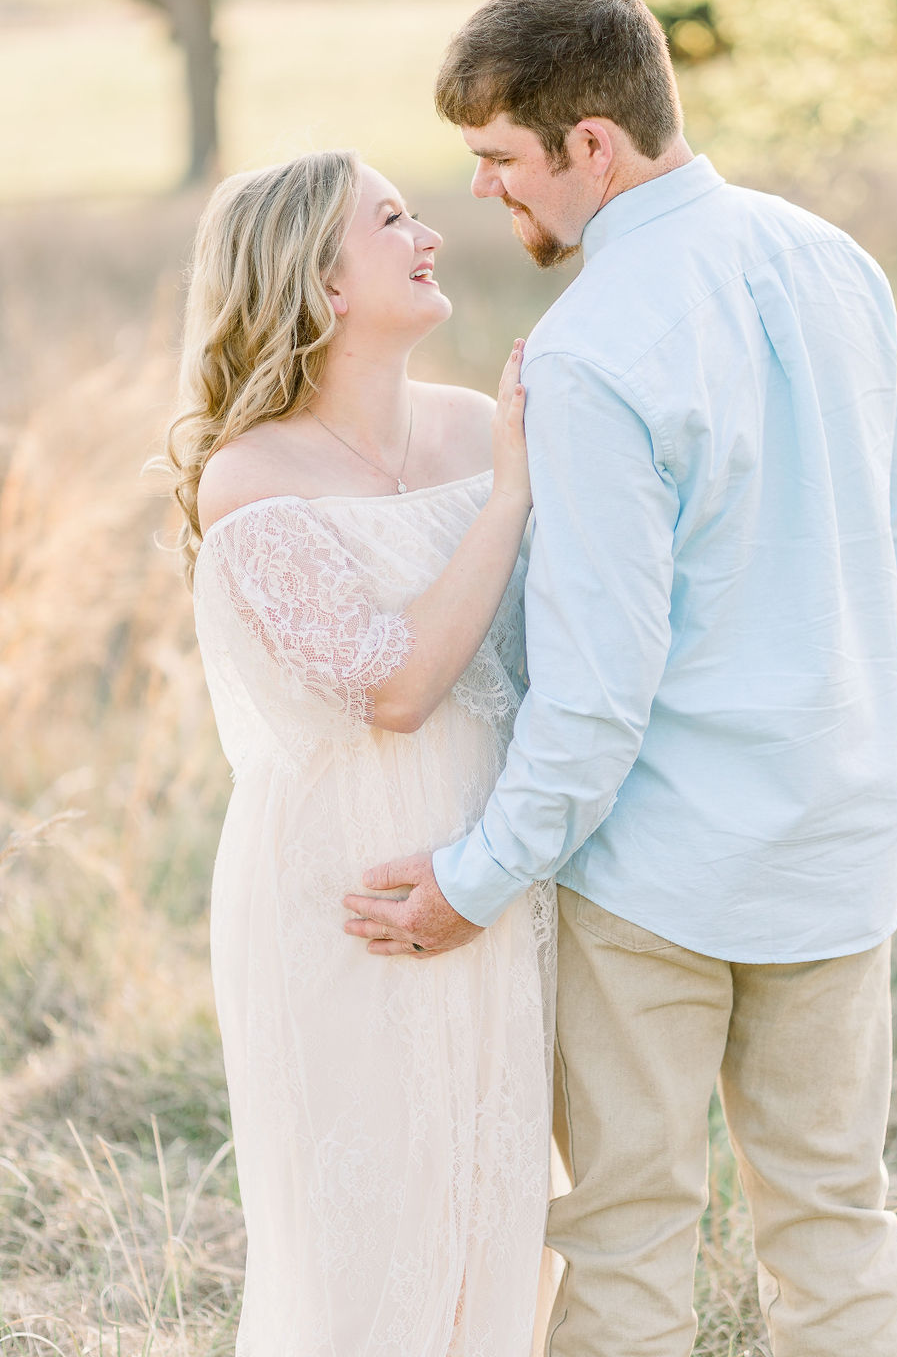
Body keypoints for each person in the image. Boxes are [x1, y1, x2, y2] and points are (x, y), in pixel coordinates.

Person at [343, 0, 897, 1357]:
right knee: (840, 1234)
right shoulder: (836, 261)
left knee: (624, 1250)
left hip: (656, 881)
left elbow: (597, 689)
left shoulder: (593, 351)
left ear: (589, 145)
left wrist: (471, 884)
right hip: (837, 847)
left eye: (499, 158)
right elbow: (896, 560)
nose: (485, 191)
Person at [166, 149, 556, 1357]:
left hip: (492, 859)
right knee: (372, 1214)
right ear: (320, 281)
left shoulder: (466, 425)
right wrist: (506, 498)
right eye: (391, 220)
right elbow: (393, 689)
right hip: (339, 886)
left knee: (498, 1201)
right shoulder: (252, 479)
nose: (429, 231)